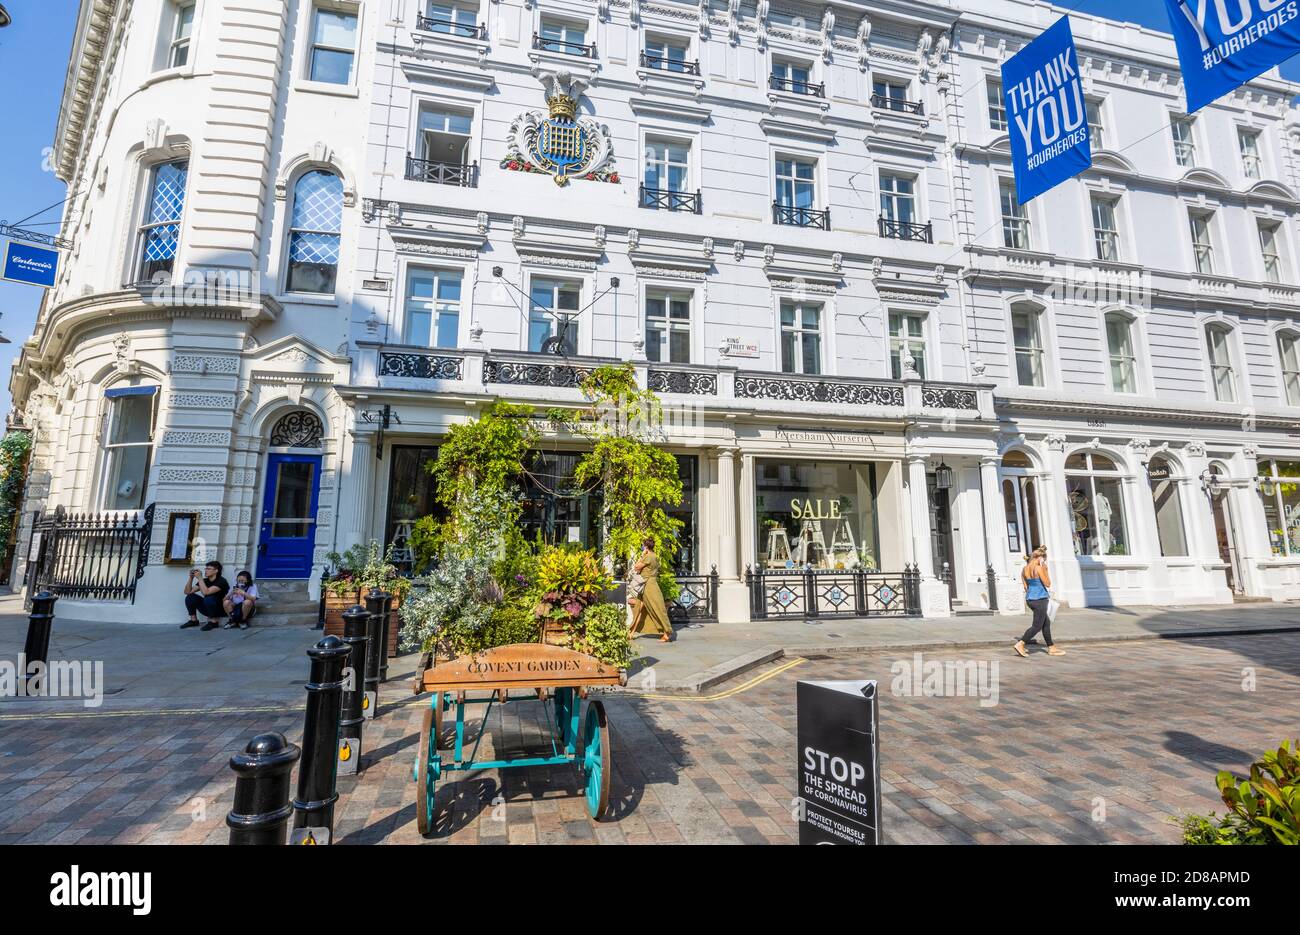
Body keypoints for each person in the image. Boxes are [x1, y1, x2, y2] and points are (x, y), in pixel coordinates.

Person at [1013, 546, 1064, 657]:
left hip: (1030, 598)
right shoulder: (1039, 568)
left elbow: (1026, 587)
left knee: (1046, 623)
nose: (1044, 561)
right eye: (1044, 559)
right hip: (1040, 599)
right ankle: (1021, 643)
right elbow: (1048, 583)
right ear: (1040, 558)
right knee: (1037, 626)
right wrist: (1045, 569)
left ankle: (1051, 647)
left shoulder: (1025, 569)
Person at [629, 537, 673, 643]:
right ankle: (631, 632)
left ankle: (667, 632)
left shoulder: (648, 556)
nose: (642, 547)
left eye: (643, 546)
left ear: (646, 547)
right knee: (639, 608)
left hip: (649, 585)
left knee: (657, 608)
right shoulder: (654, 556)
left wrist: (642, 555)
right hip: (645, 585)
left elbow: (636, 567)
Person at [182, 561, 230, 631]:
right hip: (208, 607)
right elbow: (187, 592)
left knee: (209, 598)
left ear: (216, 571)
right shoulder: (205, 580)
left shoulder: (221, 581)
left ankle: (214, 622)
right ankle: (194, 620)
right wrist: (191, 578)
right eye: (206, 569)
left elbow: (206, 593)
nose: (206, 571)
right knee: (190, 597)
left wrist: (200, 578)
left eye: (209, 569)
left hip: (220, 609)